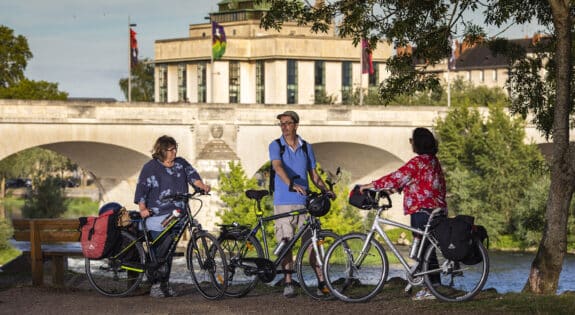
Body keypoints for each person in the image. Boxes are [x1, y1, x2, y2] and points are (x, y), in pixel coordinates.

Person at [357, 127, 447, 301]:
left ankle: (430, 289)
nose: (411, 143)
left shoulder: (418, 162)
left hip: (422, 211)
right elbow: (412, 182)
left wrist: (370, 185)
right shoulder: (432, 161)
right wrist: (390, 191)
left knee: (423, 251)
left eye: (412, 140)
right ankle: (434, 286)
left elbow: (397, 176)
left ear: (419, 143)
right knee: (427, 250)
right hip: (436, 210)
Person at [134, 135, 211, 298]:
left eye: (175, 148)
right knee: (160, 251)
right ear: (161, 150)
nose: (174, 152)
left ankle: (165, 284)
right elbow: (142, 189)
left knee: (169, 251)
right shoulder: (151, 167)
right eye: (170, 149)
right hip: (158, 215)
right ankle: (155, 285)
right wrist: (142, 208)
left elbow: (193, 177)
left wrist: (202, 186)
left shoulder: (181, 163)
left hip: (179, 214)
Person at [269, 110, 334, 298]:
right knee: (286, 242)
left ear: (296, 125)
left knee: (312, 243)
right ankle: (288, 283)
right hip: (283, 201)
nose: (284, 127)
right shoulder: (276, 146)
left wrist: (324, 189)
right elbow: (277, 167)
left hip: (305, 203)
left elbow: (313, 175)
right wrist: (291, 183)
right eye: (281, 124)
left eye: (288, 123)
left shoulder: (306, 147)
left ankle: (321, 282)